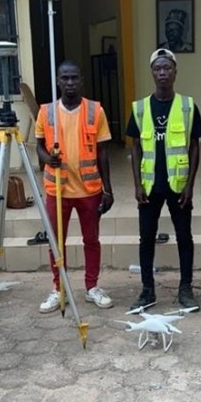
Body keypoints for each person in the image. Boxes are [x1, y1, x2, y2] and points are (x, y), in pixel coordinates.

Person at [126, 47, 201, 310]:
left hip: (179, 186)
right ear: (152, 72)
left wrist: (190, 185)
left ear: (175, 71)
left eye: (167, 68)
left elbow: (195, 147)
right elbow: (135, 147)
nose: (162, 72)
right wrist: (137, 183)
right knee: (146, 239)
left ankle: (186, 289)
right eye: (158, 68)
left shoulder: (188, 106)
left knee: (184, 237)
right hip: (150, 186)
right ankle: (147, 290)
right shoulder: (140, 108)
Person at [35, 60, 114, 312]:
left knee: (91, 240)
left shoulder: (95, 111)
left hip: (89, 190)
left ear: (81, 80)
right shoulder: (46, 112)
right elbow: (38, 146)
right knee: (56, 242)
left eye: (74, 78)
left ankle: (92, 287)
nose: (70, 83)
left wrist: (108, 189)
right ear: (58, 81)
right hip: (57, 190)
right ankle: (59, 289)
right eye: (65, 78)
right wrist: (48, 159)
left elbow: (103, 152)